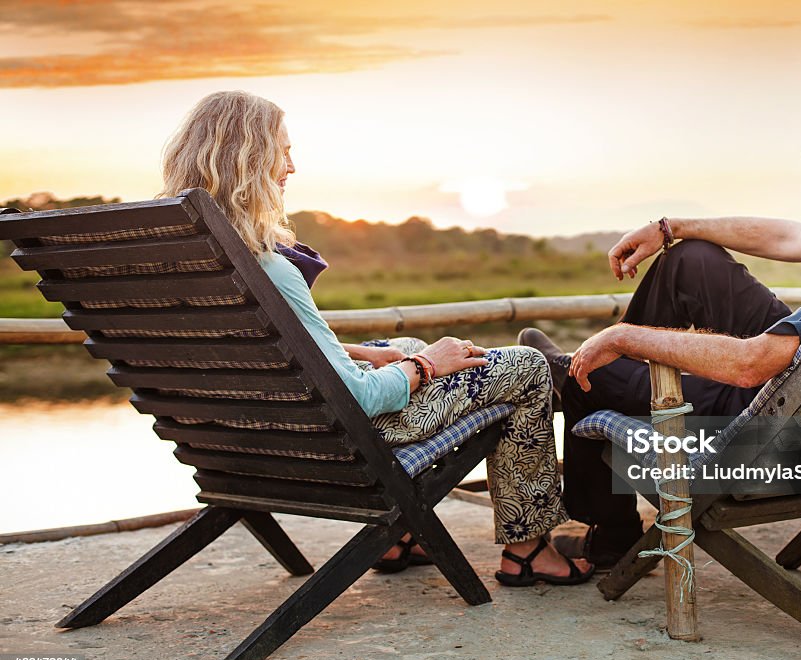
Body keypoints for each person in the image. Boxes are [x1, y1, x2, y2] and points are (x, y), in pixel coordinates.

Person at [160, 90, 593, 586]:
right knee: (523, 367)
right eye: (283, 151)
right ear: (251, 159)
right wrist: (428, 364)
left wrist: (368, 352)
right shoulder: (268, 267)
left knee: (398, 347)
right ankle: (527, 550)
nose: (292, 166)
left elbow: (258, 348)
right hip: (338, 442)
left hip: (244, 442)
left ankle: (398, 534)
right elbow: (363, 398)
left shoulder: (188, 260)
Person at [520, 92, 801, 568]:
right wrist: (671, 227)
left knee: (579, 375)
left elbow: (751, 365)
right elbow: (787, 237)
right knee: (692, 260)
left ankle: (610, 532)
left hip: (782, 421)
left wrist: (619, 339)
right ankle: (618, 375)